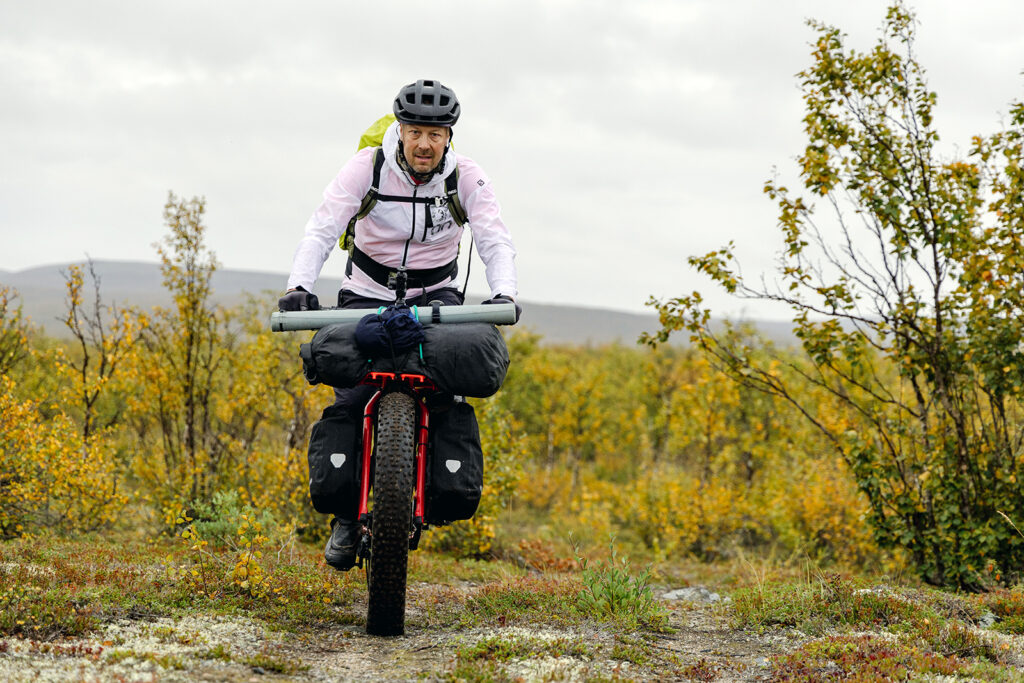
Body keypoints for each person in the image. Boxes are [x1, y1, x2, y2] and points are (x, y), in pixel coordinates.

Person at [278, 79, 520, 570]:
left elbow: (495, 237)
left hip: (438, 296)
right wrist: (298, 285)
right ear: (399, 130)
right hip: (366, 292)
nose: (425, 143)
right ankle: (347, 516)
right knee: (349, 395)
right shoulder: (365, 169)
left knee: (445, 390)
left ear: (450, 135)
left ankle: (433, 490)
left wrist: (505, 292)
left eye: (436, 133)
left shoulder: (465, 178)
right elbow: (322, 228)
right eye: (415, 132)